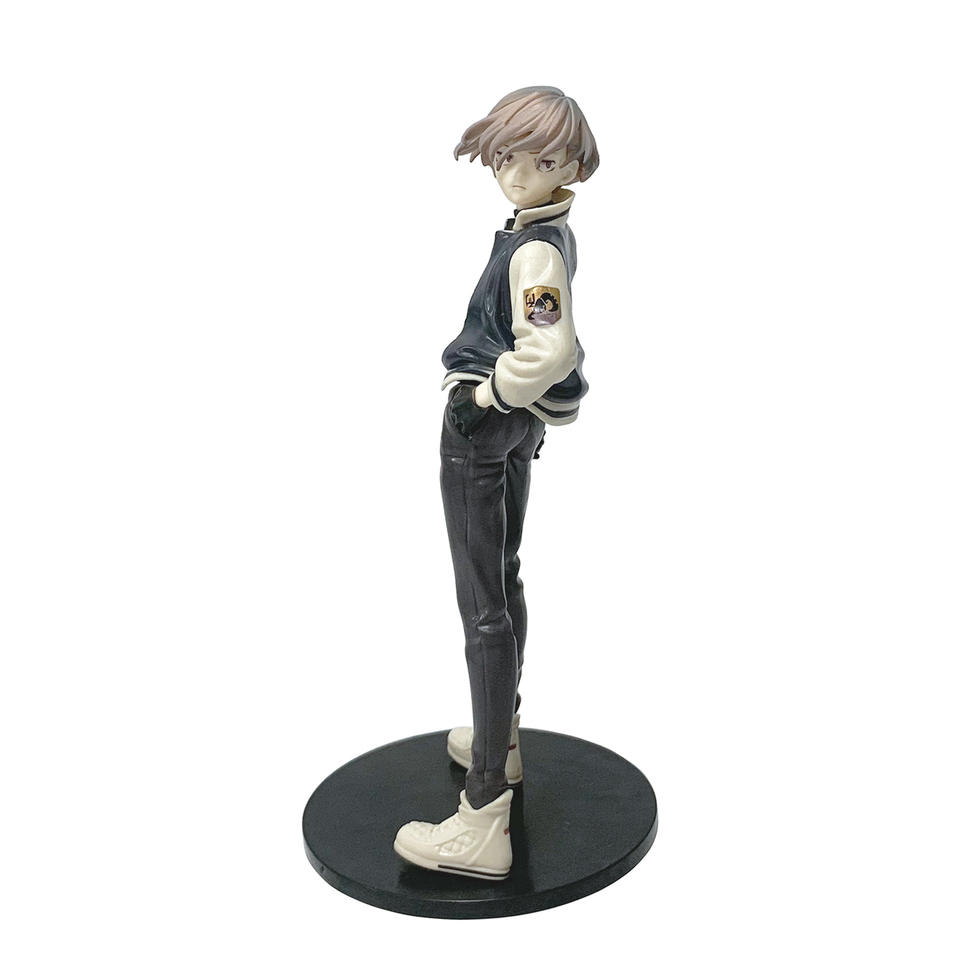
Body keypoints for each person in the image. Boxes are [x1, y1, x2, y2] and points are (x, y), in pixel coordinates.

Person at [393, 87, 599, 880]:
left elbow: (547, 348)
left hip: (487, 427)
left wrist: (482, 398)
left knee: (483, 605)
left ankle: (483, 817)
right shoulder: (536, 234)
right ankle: (499, 740)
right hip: (516, 428)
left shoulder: (536, 252)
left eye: (541, 159)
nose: (518, 172)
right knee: (502, 583)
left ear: (572, 164)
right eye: (508, 155)